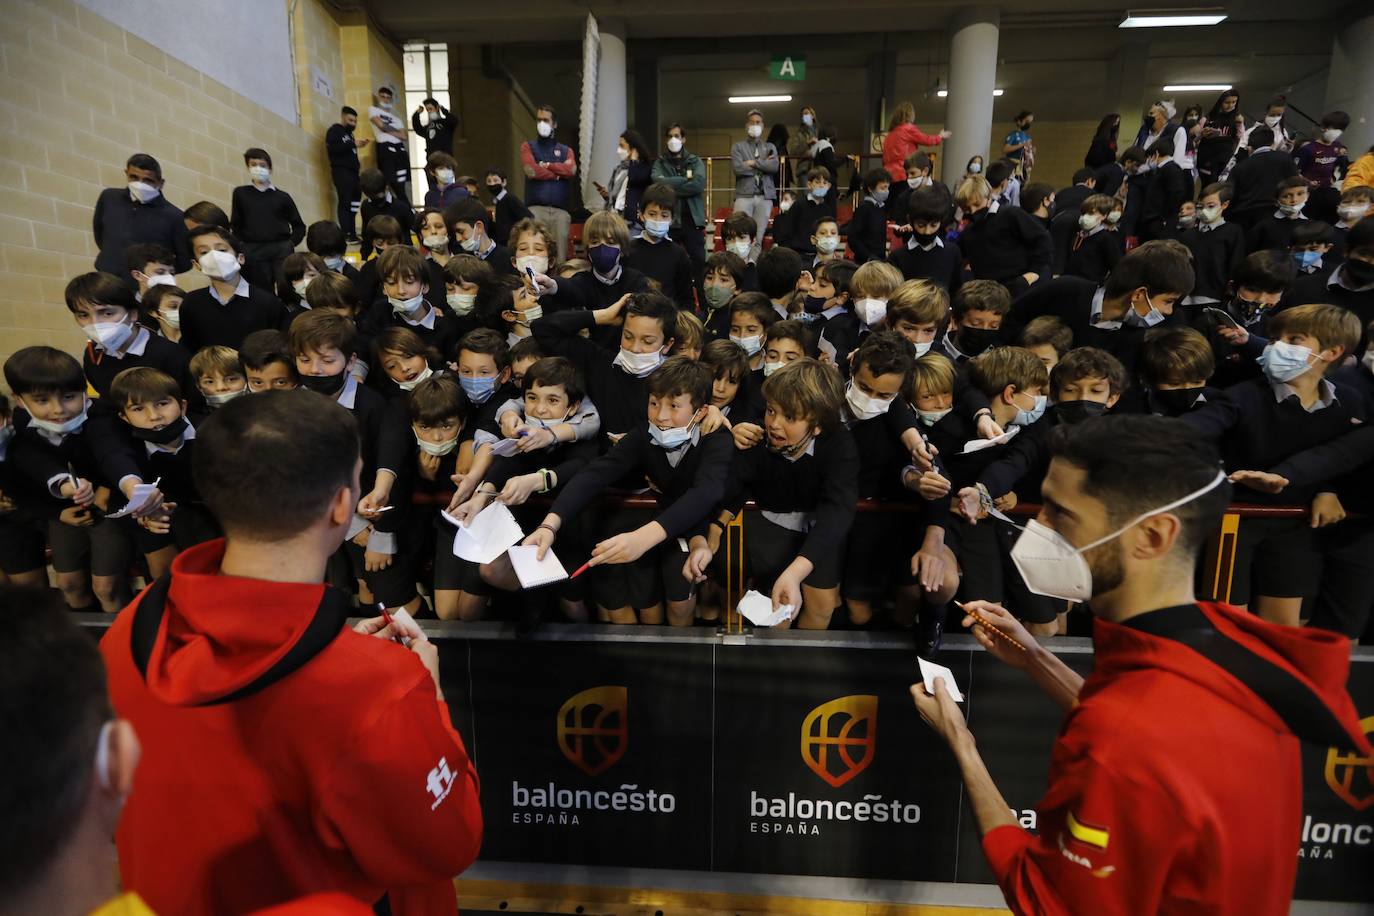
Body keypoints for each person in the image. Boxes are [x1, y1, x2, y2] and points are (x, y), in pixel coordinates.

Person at [911, 414, 1371, 915]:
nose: (1035, 526)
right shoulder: (1220, 645)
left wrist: (961, 741)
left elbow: (1044, 899)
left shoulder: (1122, 734)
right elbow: (1159, 747)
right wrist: (1037, 659)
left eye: (1061, 515)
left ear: (1153, 536)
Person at [98, 390, 481, 914]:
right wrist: (426, 697)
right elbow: (448, 843)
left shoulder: (127, 629)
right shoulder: (381, 687)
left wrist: (350, 657)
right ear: (343, 503)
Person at [523, 357, 733, 626]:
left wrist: (644, 538)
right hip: (666, 523)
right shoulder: (645, 434)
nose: (661, 415)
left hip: (708, 529)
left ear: (701, 412)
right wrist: (549, 526)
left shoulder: (716, 439)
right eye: (654, 403)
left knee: (681, 605)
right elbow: (595, 473)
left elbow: (707, 491)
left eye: (674, 406)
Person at [93, 153, 191, 280]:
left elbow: (185, 260)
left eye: (148, 180)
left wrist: (159, 273)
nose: (140, 184)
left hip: (145, 286)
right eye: (134, 177)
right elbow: (100, 235)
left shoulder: (174, 216)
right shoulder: (109, 197)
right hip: (107, 278)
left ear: (160, 183)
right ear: (126, 174)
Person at [955, 175, 1052, 298]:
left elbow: (1042, 241)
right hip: (990, 295)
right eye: (967, 208)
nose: (973, 211)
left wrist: (1032, 274)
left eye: (977, 204)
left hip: (1022, 289)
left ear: (989, 197)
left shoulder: (1011, 215)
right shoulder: (969, 231)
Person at [230, 147, 306, 291]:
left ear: (270, 169)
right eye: (253, 164)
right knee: (260, 291)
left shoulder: (283, 197)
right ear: (248, 167)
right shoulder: (240, 194)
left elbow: (299, 225)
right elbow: (236, 224)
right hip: (253, 250)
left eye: (262, 165)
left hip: (281, 248)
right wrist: (242, 246)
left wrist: (290, 243)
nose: (258, 168)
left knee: (288, 288)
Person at [650, 123, 707, 292]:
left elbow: (698, 185)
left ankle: (703, 304)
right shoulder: (660, 162)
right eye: (670, 136)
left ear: (683, 138)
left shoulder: (695, 161)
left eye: (677, 136)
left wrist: (669, 186)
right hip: (669, 220)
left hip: (692, 218)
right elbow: (656, 181)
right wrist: (684, 181)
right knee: (668, 262)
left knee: (698, 261)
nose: (673, 140)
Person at [626, 183, 696, 311]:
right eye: (652, 214)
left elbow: (686, 297)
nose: (658, 220)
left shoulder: (679, 254)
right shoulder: (628, 251)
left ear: (672, 219)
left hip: (667, 321)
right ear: (641, 215)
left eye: (664, 215)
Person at [521, 103, 577, 262]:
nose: (541, 124)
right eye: (539, 120)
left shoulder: (566, 150)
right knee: (536, 255)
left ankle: (559, 286)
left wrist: (548, 165)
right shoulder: (528, 146)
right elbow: (530, 170)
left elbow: (571, 170)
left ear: (554, 124)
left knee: (560, 257)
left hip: (560, 212)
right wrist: (558, 174)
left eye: (546, 120)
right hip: (535, 210)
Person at [731, 110, 780, 263]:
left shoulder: (770, 147)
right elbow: (738, 168)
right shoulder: (738, 147)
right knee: (739, 233)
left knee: (758, 237)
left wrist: (752, 163)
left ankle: (751, 265)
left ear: (763, 125)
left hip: (765, 197)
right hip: (744, 196)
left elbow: (774, 167)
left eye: (758, 122)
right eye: (752, 122)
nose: (755, 125)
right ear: (747, 126)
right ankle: (738, 265)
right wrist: (763, 164)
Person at [1227, 127, 1298, 231]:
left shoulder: (1241, 167)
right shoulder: (1286, 159)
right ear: (1273, 143)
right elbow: (1295, 185)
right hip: (1277, 216)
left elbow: (1230, 195)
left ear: (1250, 147)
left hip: (1244, 218)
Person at [1295, 111, 1350, 225]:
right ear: (1324, 128)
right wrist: (1308, 182)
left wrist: (1333, 179)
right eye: (1333, 128)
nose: (1335, 132)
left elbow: (1333, 166)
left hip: (1327, 191)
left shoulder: (1337, 146)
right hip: (1309, 193)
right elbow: (1295, 172)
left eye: (1339, 129)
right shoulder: (1309, 149)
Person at [325, 106, 370, 240]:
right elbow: (333, 148)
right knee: (345, 202)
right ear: (343, 118)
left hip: (354, 173)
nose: (353, 124)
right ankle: (346, 233)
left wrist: (356, 144)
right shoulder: (335, 131)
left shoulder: (350, 135)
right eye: (350, 120)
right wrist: (353, 144)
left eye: (355, 121)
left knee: (354, 204)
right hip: (342, 171)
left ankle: (352, 233)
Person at [596, 129, 654, 229]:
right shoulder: (619, 169)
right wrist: (607, 195)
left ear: (633, 149)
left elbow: (634, 178)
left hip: (631, 221)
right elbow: (619, 196)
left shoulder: (645, 167)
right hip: (613, 218)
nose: (619, 150)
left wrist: (634, 160)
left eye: (622, 146)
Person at [882, 101, 950, 184]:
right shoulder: (907, 129)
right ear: (910, 115)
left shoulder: (889, 135)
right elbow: (927, 140)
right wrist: (940, 136)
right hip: (903, 173)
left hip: (887, 175)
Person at [368, 86, 410, 201]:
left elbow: (404, 136)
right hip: (386, 149)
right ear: (378, 97)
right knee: (389, 181)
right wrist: (395, 132)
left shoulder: (397, 119)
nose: (385, 99)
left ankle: (407, 211)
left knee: (401, 186)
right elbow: (380, 125)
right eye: (383, 96)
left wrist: (387, 129)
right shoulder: (373, 110)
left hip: (399, 151)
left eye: (388, 97)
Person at [1196, 89, 1244, 185]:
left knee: (1221, 188)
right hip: (1207, 160)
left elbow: (1241, 138)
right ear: (1221, 102)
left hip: (1225, 160)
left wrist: (1239, 123)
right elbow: (1194, 140)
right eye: (1227, 102)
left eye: (1234, 102)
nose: (1230, 105)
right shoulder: (1207, 119)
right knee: (1208, 186)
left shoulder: (1237, 119)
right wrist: (1201, 135)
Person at [846, 168, 892, 265]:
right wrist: (868, 256)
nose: (886, 191)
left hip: (880, 260)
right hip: (864, 262)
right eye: (882, 188)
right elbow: (853, 238)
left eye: (887, 188)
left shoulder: (882, 208)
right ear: (870, 188)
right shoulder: (863, 208)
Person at [411, 97, 457, 186]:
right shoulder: (428, 127)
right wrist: (416, 115)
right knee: (433, 184)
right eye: (427, 110)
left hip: (445, 157)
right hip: (431, 158)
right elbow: (418, 129)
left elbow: (454, 121)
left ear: (436, 108)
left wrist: (444, 110)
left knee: (447, 183)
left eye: (431, 109)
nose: (429, 112)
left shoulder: (445, 123)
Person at [485, 167, 533, 247]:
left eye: (495, 180)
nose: (492, 184)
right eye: (489, 181)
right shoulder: (498, 201)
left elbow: (527, 217)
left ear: (503, 182)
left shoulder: (510, 199)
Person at [1002, 110, 1035, 179]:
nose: (1028, 123)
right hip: (1012, 165)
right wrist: (1022, 145)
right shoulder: (1013, 135)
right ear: (1019, 121)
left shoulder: (1027, 137)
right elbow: (1005, 149)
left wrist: (1032, 151)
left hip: (1023, 166)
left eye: (1030, 122)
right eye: (1027, 121)